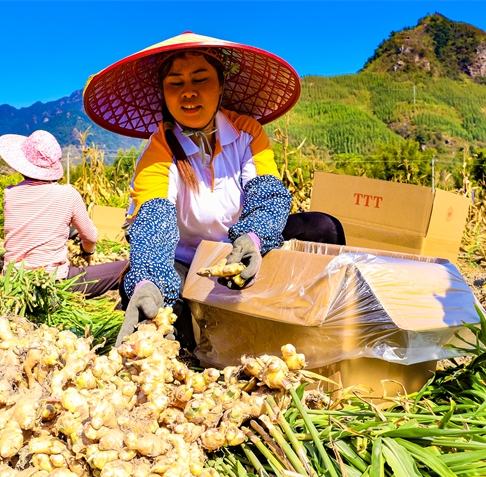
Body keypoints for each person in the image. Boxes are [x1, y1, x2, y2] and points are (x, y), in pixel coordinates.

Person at [83, 32, 346, 347]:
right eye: (175, 83)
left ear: (221, 85)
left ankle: (324, 324)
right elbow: (153, 220)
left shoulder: (247, 132)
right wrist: (150, 281)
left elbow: (268, 195)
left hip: (247, 246)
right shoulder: (159, 148)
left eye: (200, 79)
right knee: (143, 291)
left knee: (324, 228)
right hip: (191, 262)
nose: (188, 93)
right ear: (164, 94)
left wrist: (253, 238)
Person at [0, 129, 126, 297]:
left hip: (14, 280)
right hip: (51, 283)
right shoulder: (68, 194)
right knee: (126, 267)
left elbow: (35, 223)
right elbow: (90, 237)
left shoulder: (10, 193)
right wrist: (88, 252)